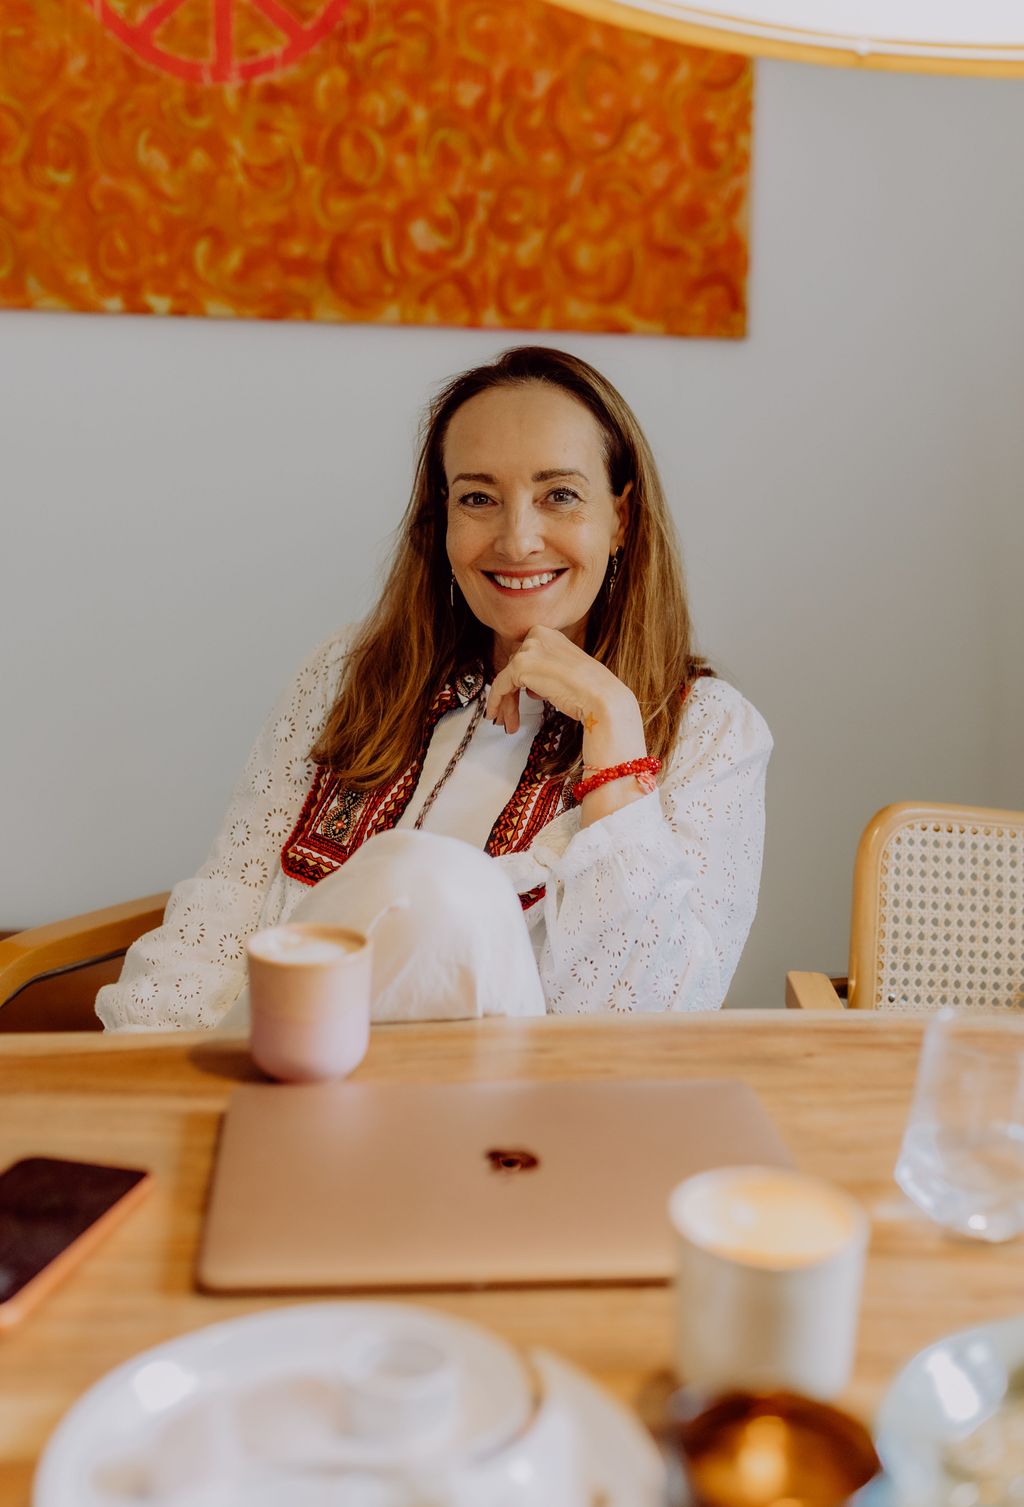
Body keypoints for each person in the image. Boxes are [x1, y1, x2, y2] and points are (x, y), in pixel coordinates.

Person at [96, 346, 771, 1029]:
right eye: (479, 497)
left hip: (516, 1120)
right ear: (441, 518)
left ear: (621, 518)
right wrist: (151, 1083)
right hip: (279, 1087)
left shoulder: (711, 730)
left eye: (559, 495)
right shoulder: (346, 673)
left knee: (433, 885)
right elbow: (220, 910)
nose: (517, 537)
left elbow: (648, 1024)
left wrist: (614, 734)